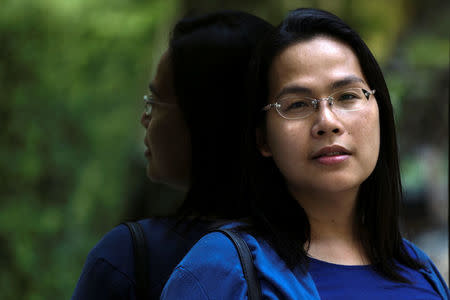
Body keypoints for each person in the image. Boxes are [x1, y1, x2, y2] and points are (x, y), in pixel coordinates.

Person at [160, 8, 449, 299]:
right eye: (297, 104)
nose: (327, 122)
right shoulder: (220, 270)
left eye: (348, 96)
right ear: (263, 139)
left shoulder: (421, 271)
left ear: (380, 112)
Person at [71, 11, 273, 299]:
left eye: (155, 100)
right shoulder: (316, 249)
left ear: (204, 118)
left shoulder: (128, 258)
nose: (145, 117)